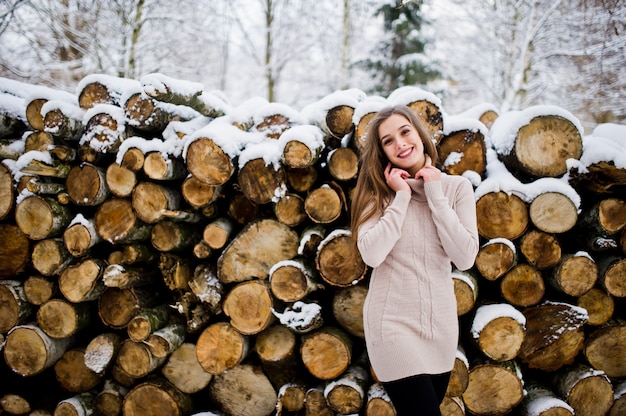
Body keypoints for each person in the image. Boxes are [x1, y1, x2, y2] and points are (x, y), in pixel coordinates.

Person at [350, 104, 479, 415]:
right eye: (388, 141)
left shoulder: (456, 189)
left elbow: (464, 257)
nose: (400, 143)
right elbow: (372, 253)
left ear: (420, 135)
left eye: (405, 132)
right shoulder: (377, 194)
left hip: (441, 328)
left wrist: (434, 194)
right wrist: (402, 197)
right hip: (392, 326)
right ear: (383, 152)